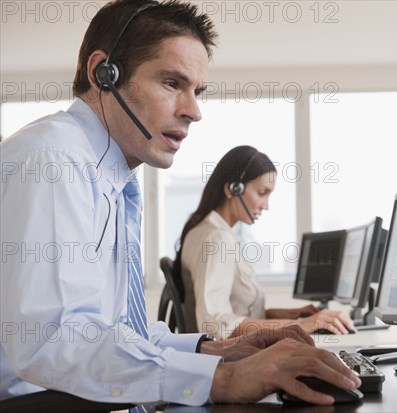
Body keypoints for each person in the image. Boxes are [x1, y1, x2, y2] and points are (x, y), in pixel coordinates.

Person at [0, 0, 360, 408]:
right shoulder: (54, 161)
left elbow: (118, 333)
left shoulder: (109, 178)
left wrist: (211, 351)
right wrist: (222, 379)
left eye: (197, 91)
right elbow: (52, 342)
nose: (193, 111)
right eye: (173, 83)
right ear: (104, 74)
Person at [174, 145, 356, 339]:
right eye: (262, 192)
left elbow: (235, 312)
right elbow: (215, 323)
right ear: (233, 189)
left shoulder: (205, 231)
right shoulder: (217, 239)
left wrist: (284, 316)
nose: (266, 205)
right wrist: (300, 325)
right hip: (231, 361)